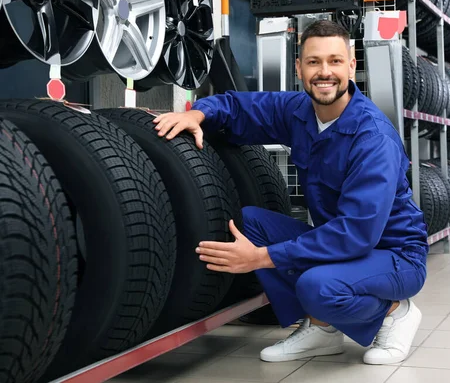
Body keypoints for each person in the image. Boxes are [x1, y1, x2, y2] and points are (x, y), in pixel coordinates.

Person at [153, 20, 429, 365]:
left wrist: (260, 258)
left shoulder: (372, 138)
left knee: (318, 285)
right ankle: (322, 328)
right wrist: (198, 113)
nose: (324, 72)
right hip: (342, 243)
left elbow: (357, 234)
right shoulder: (300, 111)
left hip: (394, 255)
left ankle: (394, 311)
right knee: (249, 223)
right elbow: (239, 106)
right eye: (314, 62)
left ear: (352, 65)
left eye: (335, 61)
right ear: (299, 67)